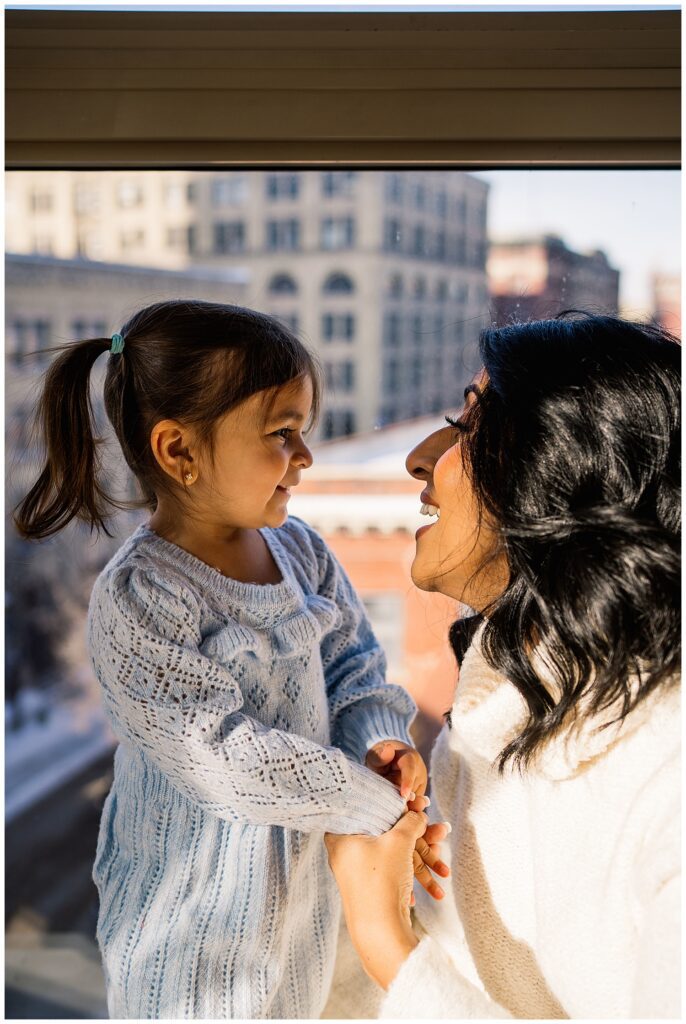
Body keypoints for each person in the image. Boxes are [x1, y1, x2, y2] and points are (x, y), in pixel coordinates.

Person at [13, 299, 436, 1020]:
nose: (305, 456)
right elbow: (220, 756)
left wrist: (380, 745)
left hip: (308, 910)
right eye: (281, 434)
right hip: (195, 938)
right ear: (179, 452)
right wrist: (374, 806)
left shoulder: (303, 552)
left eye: (303, 431)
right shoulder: (141, 595)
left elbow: (354, 668)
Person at [325, 312, 681, 1019]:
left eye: (467, 427)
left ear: (560, 471)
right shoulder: (497, 703)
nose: (420, 457)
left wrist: (388, 940)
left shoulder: (667, 771)